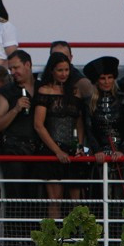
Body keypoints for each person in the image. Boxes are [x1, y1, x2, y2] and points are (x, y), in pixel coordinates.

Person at [32, 52, 86, 219]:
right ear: (52, 71)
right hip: (51, 151)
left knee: (76, 201)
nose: (64, 74)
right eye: (60, 70)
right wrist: (57, 151)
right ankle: (54, 242)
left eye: (66, 70)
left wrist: (79, 146)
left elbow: (79, 122)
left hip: (72, 149)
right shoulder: (44, 90)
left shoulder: (75, 92)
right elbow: (38, 125)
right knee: (55, 200)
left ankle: (76, 239)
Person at [0, 50, 41, 231]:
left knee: (37, 199)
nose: (13, 72)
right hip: (13, 152)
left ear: (28, 65)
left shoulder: (43, 87)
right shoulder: (7, 91)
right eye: (11, 68)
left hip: (38, 152)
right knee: (16, 200)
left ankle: (36, 244)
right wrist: (15, 109)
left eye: (16, 67)